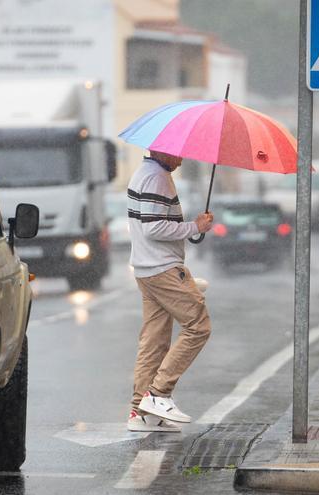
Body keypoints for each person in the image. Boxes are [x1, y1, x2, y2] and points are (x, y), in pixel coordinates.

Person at [126, 150, 214, 433]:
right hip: (162, 268)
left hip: (146, 267)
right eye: (178, 153)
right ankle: (159, 394)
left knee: (154, 341)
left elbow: (153, 225)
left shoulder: (145, 173)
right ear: (161, 149)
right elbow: (153, 228)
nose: (182, 159)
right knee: (198, 327)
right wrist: (193, 226)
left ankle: (141, 412)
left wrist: (192, 230)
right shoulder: (157, 178)